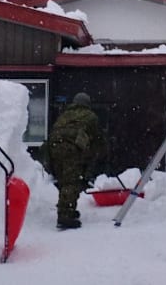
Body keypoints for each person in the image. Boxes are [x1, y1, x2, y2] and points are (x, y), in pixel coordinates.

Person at [47, 92, 107, 229]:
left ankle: (68, 210)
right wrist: (103, 154)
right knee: (72, 181)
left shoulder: (64, 115)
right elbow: (98, 138)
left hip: (53, 148)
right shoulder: (90, 116)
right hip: (70, 149)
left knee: (64, 181)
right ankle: (64, 217)